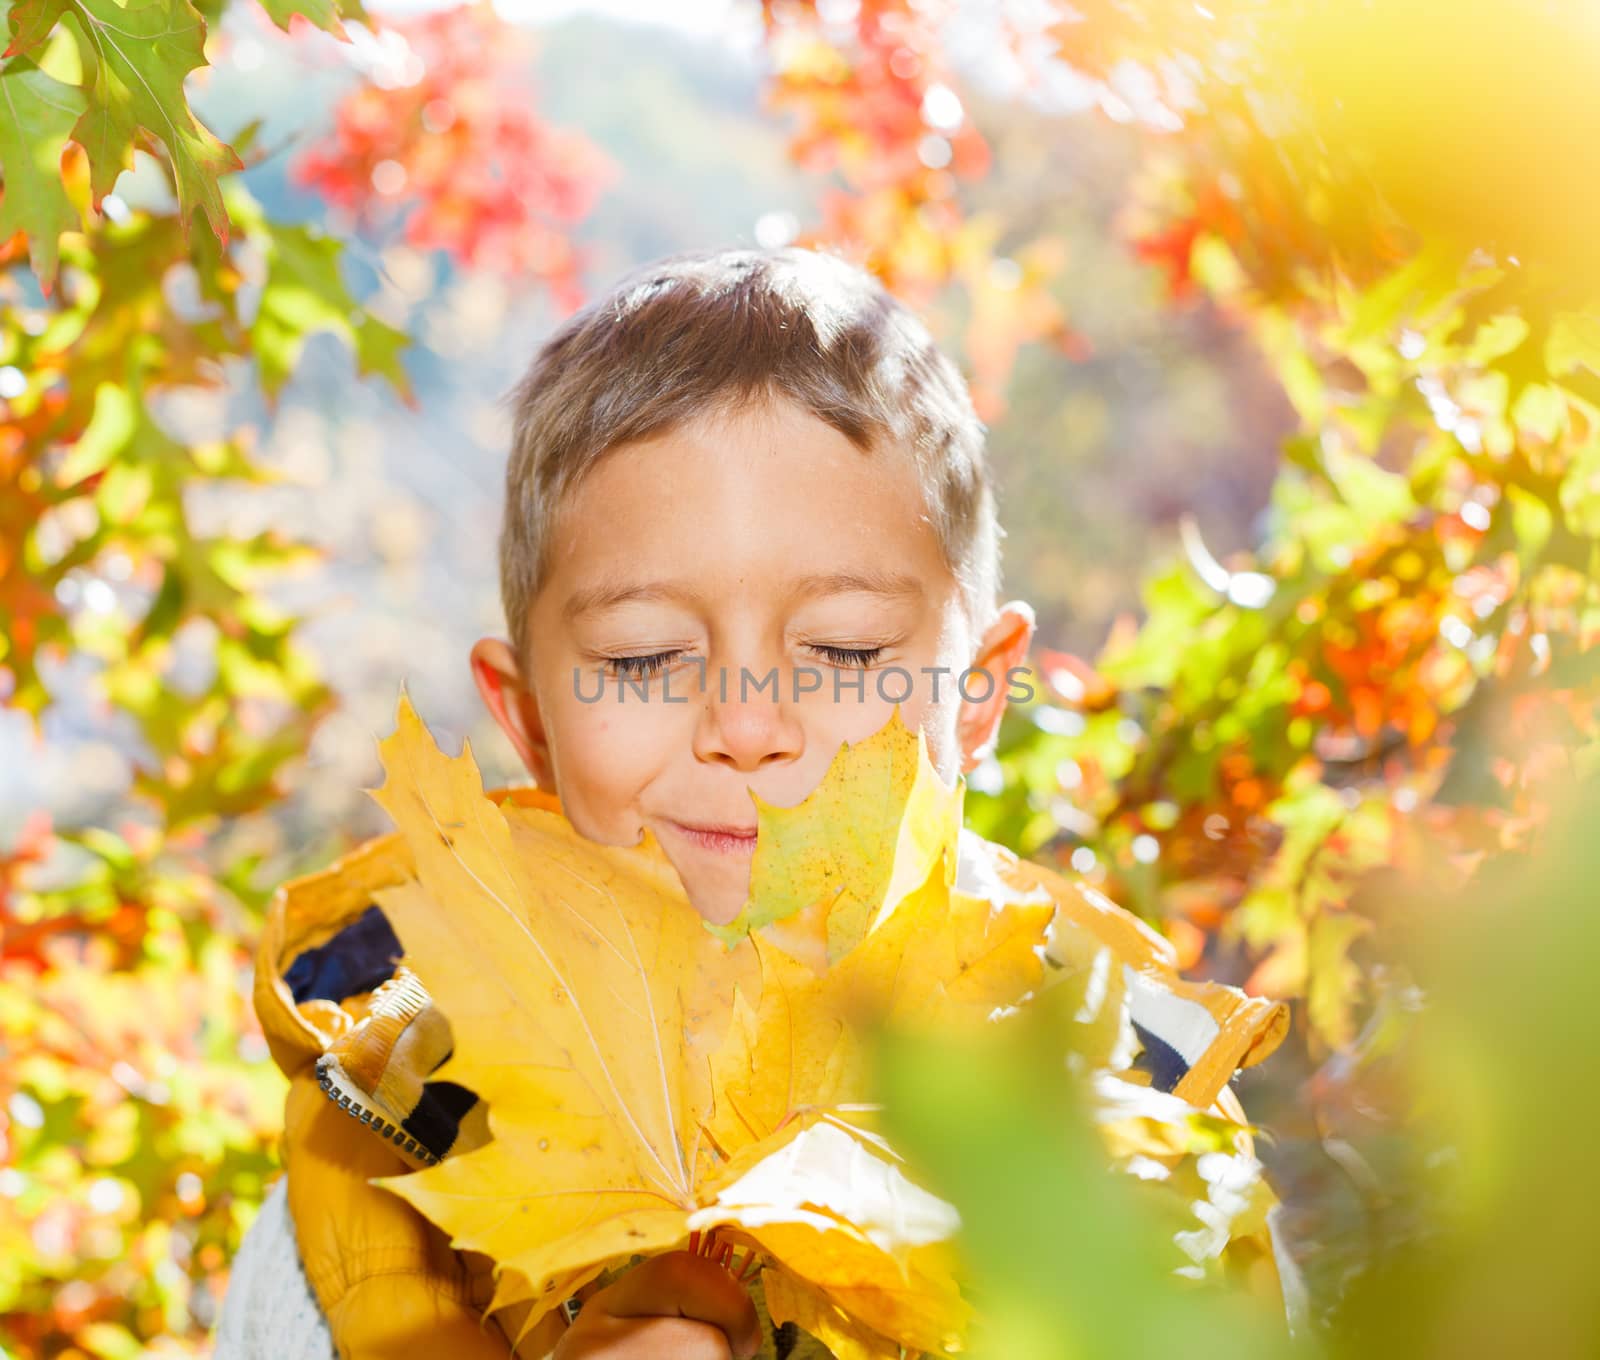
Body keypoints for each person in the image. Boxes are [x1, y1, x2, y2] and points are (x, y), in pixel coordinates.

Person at [213, 246, 1290, 1360]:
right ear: (529, 718)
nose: (744, 721)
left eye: (842, 646)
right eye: (640, 658)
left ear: (977, 696)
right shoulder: (386, 1158)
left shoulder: (1142, 1125)